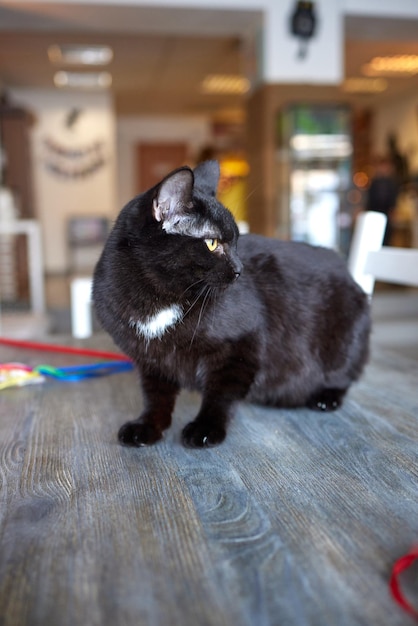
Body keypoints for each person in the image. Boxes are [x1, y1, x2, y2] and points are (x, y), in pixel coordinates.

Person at [366, 157, 399, 245]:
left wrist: (393, 210)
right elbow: (369, 198)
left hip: (387, 212)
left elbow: (394, 198)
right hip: (375, 211)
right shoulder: (374, 182)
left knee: (387, 236)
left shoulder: (392, 183)